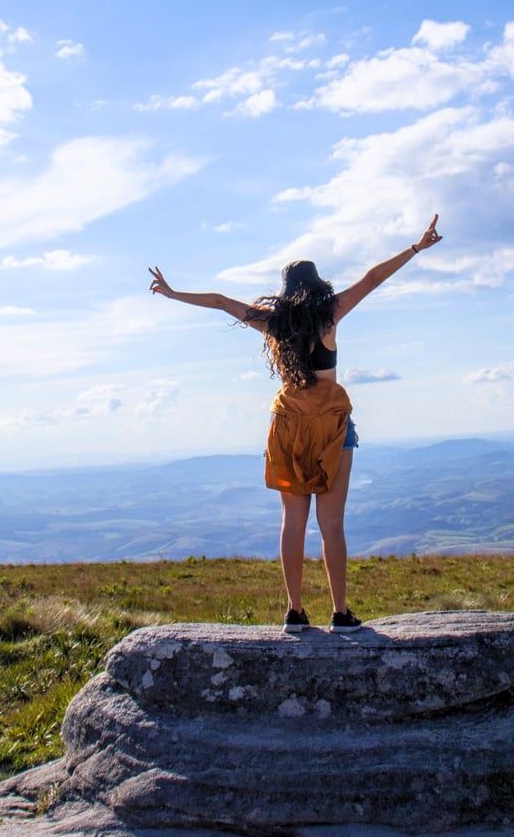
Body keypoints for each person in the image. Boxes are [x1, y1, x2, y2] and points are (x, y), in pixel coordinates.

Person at [148, 214, 443, 633]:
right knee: (331, 524)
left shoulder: (272, 323)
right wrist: (415, 247)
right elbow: (372, 278)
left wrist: (173, 293)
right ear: (318, 284)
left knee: (292, 523)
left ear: (285, 292)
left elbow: (219, 300)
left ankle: (295, 612)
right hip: (331, 425)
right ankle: (340, 613)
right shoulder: (329, 314)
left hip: (288, 424)